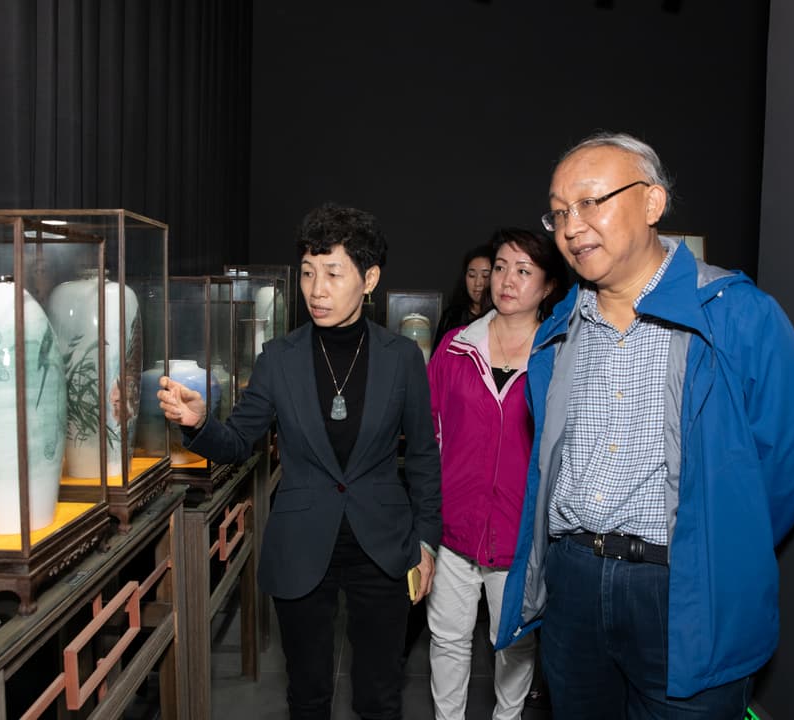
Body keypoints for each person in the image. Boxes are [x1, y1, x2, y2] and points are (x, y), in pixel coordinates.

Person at [496, 132, 794, 719]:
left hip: (683, 590)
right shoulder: (558, 332)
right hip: (573, 580)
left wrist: (719, 541)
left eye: (591, 202)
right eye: (558, 212)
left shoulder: (734, 313)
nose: (572, 226)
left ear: (653, 204)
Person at [157, 203, 442, 720]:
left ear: (369, 278)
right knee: (307, 696)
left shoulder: (402, 358)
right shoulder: (279, 358)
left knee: (380, 696)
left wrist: (425, 544)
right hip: (301, 542)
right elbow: (239, 441)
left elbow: (423, 456)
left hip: (382, 544)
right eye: (309, 273)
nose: (317, 290)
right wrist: (197, 423)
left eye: (333, 274)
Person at [426, 227, 565, 720]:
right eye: (501, 267)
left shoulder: (559, 357)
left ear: (548, 286)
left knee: (513, 646)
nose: (506, 280)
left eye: (524, 271)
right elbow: (429, 437)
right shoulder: (454, 349)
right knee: (447, 640)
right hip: (454, 530)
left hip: (520, 535)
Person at [432, 243, 494, 351]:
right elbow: (437, 360)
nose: (478, 283)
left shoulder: (501, 318)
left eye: (485, 276)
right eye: (471, 275)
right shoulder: (451, 316)